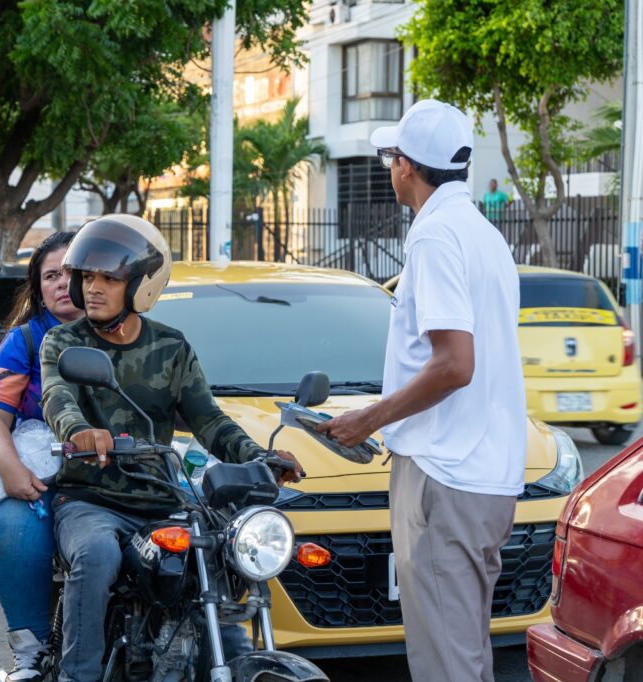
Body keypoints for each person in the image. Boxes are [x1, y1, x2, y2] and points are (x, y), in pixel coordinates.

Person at [39, 215, 304, 682]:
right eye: (87, 277)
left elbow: (208, 419)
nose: (93, 288)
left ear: (141, 286)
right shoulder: (64, 341)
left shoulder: (171, 346)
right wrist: (79, 430)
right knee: (97, 554)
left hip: (163, 502)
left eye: (108, 278)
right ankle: (77, 675)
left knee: (216, 555)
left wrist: (256, 456)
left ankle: (229, 659)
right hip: (89, 500)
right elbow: (56, 397)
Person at [318, 100, 526, 682]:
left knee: (445, 665)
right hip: (484, 473)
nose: (390, 167)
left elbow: (455, 365)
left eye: (391, 156)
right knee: (466, 656)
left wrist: (368, 419)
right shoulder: (484, 235)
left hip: (444, 473)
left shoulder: (434, 236)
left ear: (405, 165)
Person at [0, 231, 81, 682]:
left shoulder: (129, 331)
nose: (62, 283)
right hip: (45, 479)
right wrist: (11, 470)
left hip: (117, 475)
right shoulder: (26, 340)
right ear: (38, 288)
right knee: (14, 525)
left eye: (71, 272)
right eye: (51, 276)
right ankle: (30, 652)